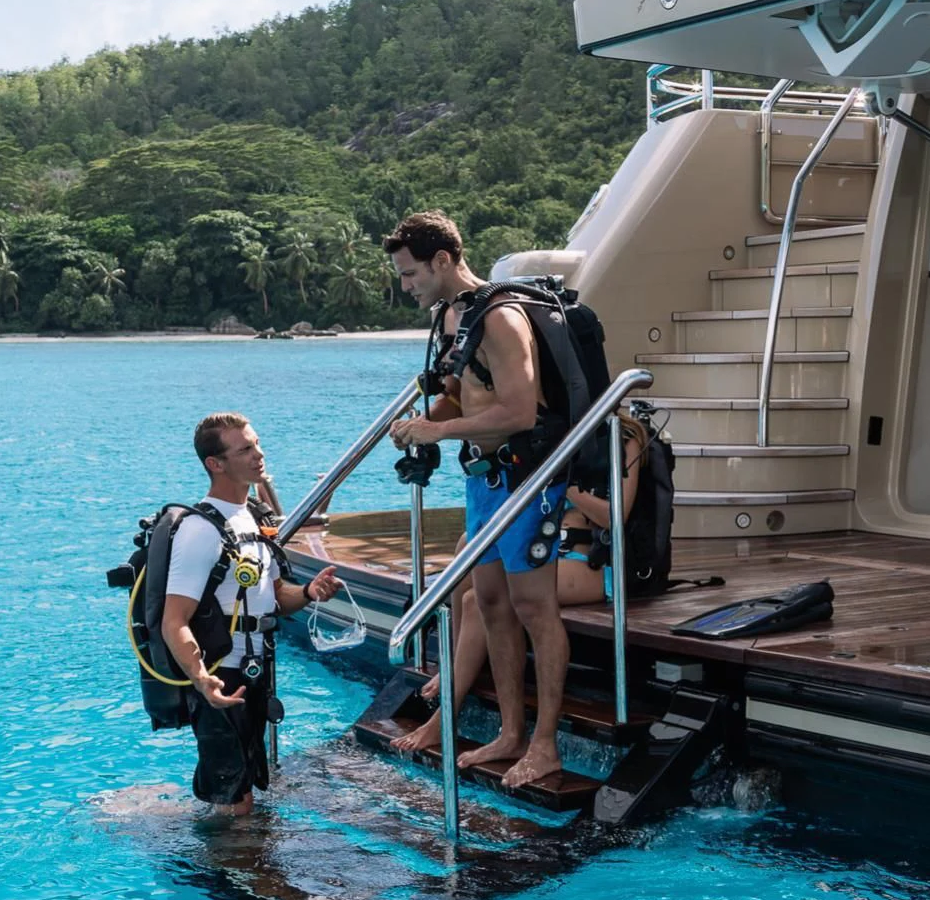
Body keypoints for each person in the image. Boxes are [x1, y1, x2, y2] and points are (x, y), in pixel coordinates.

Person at [384, 210, 573, 789]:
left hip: (527, 476)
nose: (406, 285)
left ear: (443, 261)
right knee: (488, 600)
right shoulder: (450, 318)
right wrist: (423, 422)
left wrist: (438, 432)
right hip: (483, 477)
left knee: (534, 607)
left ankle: (546, 745)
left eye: (412, 273)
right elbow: (462, 398)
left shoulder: (501, 318)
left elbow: (518, 411)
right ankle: (511, 732)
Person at [391, 411, 646, 755]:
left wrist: (561, 480)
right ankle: (453, 668)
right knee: (467, 551)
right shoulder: (549, 432)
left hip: (589, 562)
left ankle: (444, 716)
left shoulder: (622, 437)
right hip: (548, 547)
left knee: (479, 603)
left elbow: (615, 515)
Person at [162, 412, 338, 817]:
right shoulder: (201, 530)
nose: (259, 455)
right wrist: (204, 680)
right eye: (245, 449)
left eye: (257, 444)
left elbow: (274, 596)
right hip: (221, 675)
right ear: (216, 464)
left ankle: (239, 860)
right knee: (232, 794)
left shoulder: (256, 518)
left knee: (246, 785)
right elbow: (175, 620)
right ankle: (227, 871)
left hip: (256, 670)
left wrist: (310, 592)